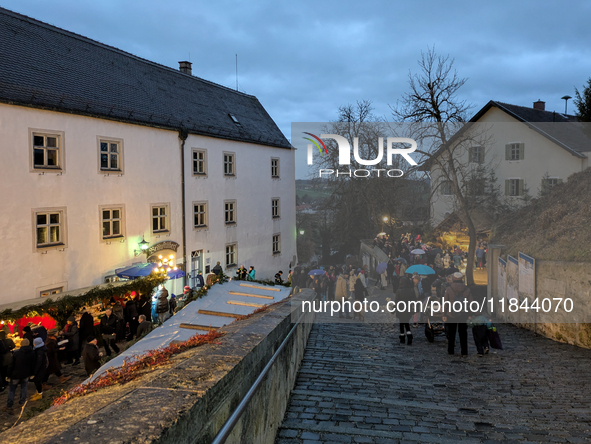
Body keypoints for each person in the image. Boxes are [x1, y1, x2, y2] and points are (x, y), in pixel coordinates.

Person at [443, 272, 473, 356]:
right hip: (463, 314)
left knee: (451, 333)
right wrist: (470, 313)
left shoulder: (449, 289)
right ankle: (464, 352)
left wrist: (444, 314)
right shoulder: (467, 289)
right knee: (463, 333)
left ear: (453, 279)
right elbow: (471, 303)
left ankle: (451, 350)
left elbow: (445, 302)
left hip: (451, 314)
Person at [5, 338, 35, 412]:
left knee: (12, 390)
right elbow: (33, 365)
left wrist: (8, 375)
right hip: (26, 374)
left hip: (16, 374)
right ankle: (22, 403)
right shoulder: (32, 353)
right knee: (24, 388)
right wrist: (32, 373)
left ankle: (9, 405)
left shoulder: (16, 353)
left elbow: (11, 365)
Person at [396, 277, 414, 345]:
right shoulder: (411, 290)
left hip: (401, 308)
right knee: (406, 322)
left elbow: (396, 301)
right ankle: (409, 336)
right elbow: (413, 300)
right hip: (408, 309)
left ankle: (402, 337)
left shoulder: (399, 290)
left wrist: (393, 310)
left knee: (401, 323)